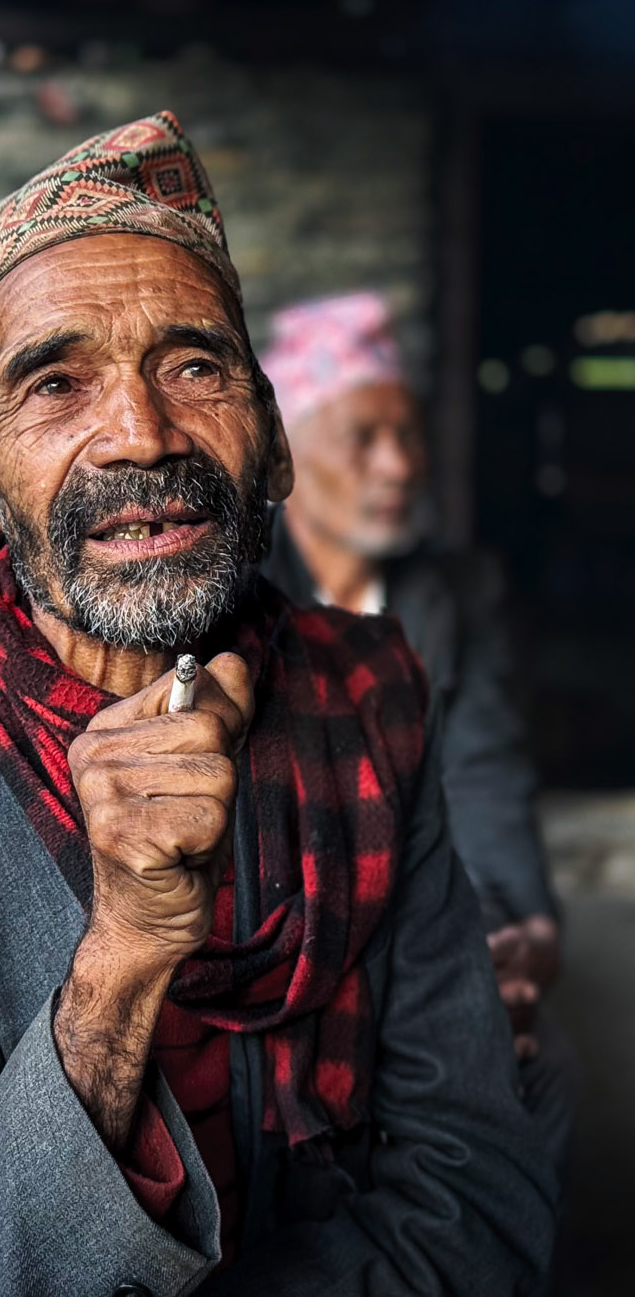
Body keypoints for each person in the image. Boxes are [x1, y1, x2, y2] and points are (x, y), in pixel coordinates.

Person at [0, 114, 556, 1297]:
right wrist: (120, 958)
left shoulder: (370, 698)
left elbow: (475, 1202)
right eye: (56, 384)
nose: (142, 434)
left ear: (272, 443)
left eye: (195, 367)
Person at [258, 292, 569, 1165]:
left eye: (408, 435)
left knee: (535, 1078)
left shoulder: (458, 596)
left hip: (431, 924)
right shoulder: (243, 589)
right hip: (291, 946)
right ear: (287, 455)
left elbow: (484, 773)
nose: (398, 464)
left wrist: (521, 935)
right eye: (363, 437)